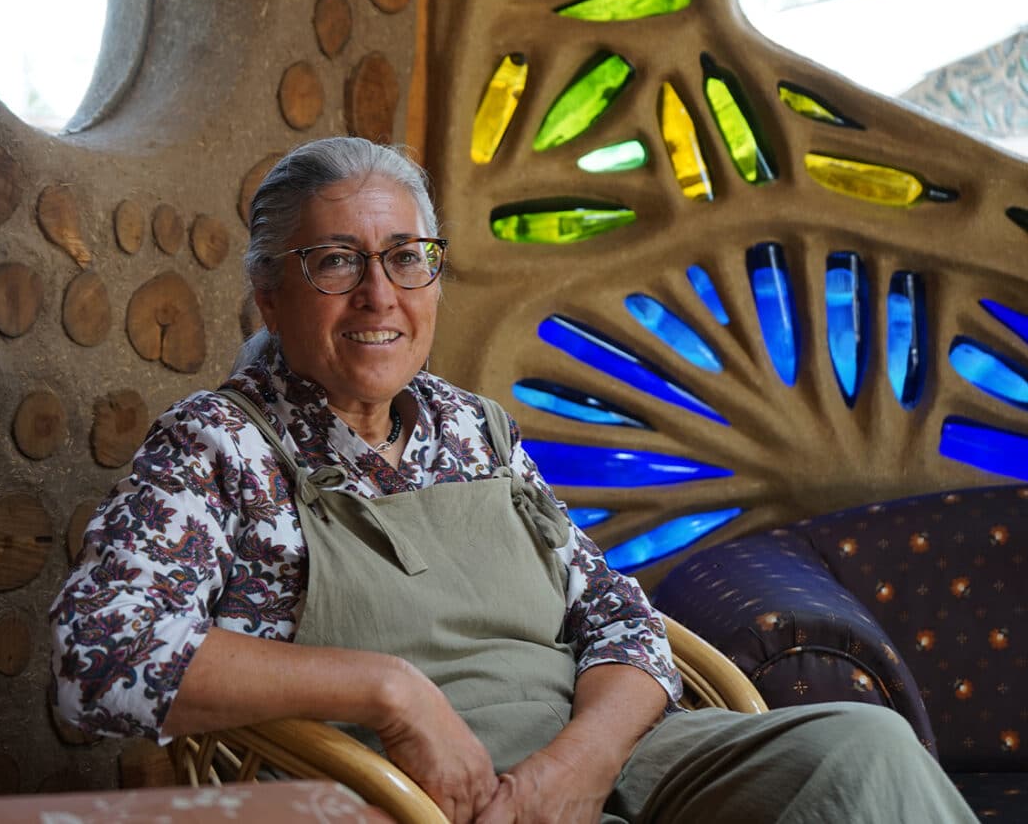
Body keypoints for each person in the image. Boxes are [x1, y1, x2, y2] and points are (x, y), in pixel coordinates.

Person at [50, 137, 974, 823]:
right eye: (336, 260)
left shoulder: (471, 426)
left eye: (407, 257)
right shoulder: (220, 447)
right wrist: (390, 691)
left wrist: (582, 760)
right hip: (417, 797)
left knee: (863, 748)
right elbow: (96, 662)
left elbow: (619, 617)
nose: (380, 293)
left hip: (607, 758)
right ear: (268, 292)